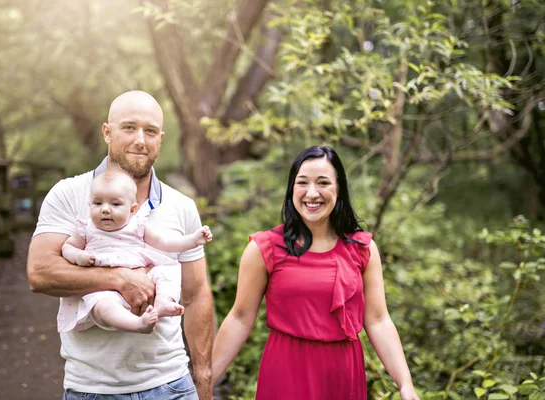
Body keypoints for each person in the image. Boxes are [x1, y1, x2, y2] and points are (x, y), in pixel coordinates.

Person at [27, 90, 214, 399]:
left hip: (171, 385)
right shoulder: (69, 194)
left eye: (150, 131)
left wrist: (204, 378)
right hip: (93, 389)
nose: (140, 139)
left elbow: (196, 295)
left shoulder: (181, 206)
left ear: (160, 138)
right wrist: (119, 278)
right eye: (129, 127)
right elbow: (40, 272)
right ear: (107, 132)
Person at [211, 146, 419, 400]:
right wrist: (204, 381)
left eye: (323, 183)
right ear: (292, 189)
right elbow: (240, 318)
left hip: (344, 376)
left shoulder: (363, 249)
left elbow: (377, 320)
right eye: (302, 183)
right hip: (287, 374)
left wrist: (405, 384)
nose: (312, 193)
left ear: (338, 189)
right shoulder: (264, 248)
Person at [59, 168, 213, 334]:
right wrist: (78, 256)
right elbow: (67, 247)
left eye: (115, 204)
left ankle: (162, 301)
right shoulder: (86, 228)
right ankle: (137, 324)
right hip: (105, 288)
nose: (105, 209)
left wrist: (193, 240)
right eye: (98, 203)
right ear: (89, 205)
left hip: (141, 275)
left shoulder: (138, 226)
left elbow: (165, 243)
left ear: (132, 210)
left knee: (167, 271)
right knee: (103, 306)